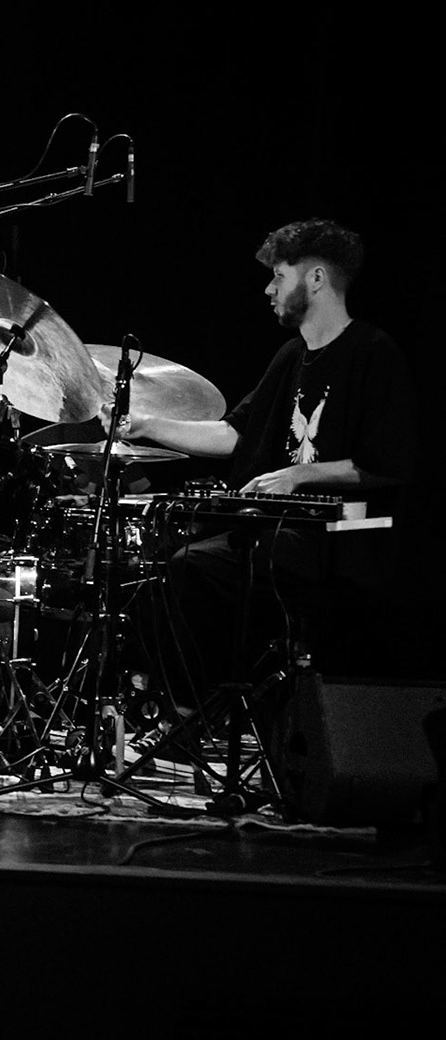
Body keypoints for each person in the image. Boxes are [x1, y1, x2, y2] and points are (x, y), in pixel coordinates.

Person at [121, 219, 416, 695]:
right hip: (278, 533)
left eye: (279, 275)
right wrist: (146, 425)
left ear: (316, 278)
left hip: (335, 543)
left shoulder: (373, 352)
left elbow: (387, 461)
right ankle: (180, 703)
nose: (268, 288)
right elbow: (235, 433)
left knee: (191, 567)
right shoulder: (290, 357)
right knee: (163, 560)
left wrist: (300, 475)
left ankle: (190, 710)